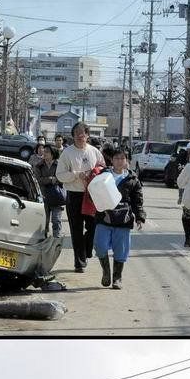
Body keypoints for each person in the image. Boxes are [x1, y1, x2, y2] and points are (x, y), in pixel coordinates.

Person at [93, 148, 145, 290]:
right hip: (104, 217)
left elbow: (137, 200)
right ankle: (106, 272)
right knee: (100, 246)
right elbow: (94, 193)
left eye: (122, 158)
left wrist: (140, 217)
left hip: (124, 219)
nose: (119, 161)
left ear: (126, 160)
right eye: (116, 158)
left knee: (121, 250)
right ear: (112, 160)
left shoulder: (132, 178)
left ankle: (117, 278)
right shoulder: (104, 175)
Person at [57, 121, 106, 271]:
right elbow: (60, 175)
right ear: (73, 136)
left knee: (94, 227)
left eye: (82, 133)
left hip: (92, 195)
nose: (80, 136)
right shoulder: (67, 153)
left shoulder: (94, 151)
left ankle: (86, 250)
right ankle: (80, 262)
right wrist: (77, 175)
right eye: (77, 133)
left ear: (87, 135)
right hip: (74, 195)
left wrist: (94, 172)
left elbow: (103, 167)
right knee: (76, 229)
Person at [35, 145, 65, 238]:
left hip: (57, 196)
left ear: (53, 154)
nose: (44, 153)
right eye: (44, 151)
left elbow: (64, 178)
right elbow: (37, 179)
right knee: (44, 220)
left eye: (47, 151)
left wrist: (57, 180)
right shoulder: (39, 165)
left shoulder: (60, 165)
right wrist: (50, 179)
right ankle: (43, 238)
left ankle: (57, 239)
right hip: (44, 196)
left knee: (56, 220)